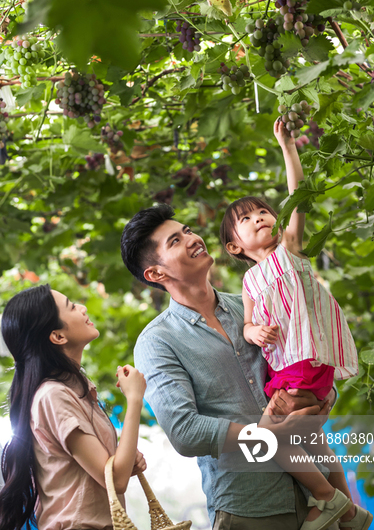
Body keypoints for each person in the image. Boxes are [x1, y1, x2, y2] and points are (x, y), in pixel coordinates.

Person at [121, 206, 337, 530]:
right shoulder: (157, 342)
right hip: (249, 507)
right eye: (176, 240)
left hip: (320, 498)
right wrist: (265, 436)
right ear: (155, 273)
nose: (193, 239)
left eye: (189, 229)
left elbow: (308, 357)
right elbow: (184, 431)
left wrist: (323, 401)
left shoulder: (253, 302)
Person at [219, 118, 372, 530]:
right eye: (247, 219)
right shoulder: (250, 280)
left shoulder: (289, 250)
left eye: (263, 212)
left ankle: (327, 499)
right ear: (235, 246)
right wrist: (254, 332)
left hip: (305, 360)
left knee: (268, 439)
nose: (259, 218)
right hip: (289, 366)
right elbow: (249, 324)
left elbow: (297, 198)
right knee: (310, 438)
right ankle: (351, 513)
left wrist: (288, 147)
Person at [0, 283, 146, 530]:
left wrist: (126, 460)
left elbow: (107, 470)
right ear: (58, 336)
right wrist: (135, 398)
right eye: (72, 307)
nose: (83, 308)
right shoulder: (53, 396)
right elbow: (115, 480)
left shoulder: (74, 388)